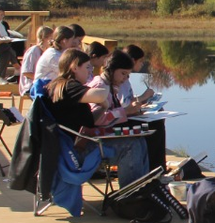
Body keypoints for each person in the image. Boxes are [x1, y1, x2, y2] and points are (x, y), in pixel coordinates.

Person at [42, 48, 149, 187]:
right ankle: (131, 196)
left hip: (76, 142)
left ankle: (143, 188)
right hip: (75, 150)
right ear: (74, 67)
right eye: (87, 67)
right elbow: (100, 95)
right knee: (131, 146)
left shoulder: (63, 85)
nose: (90, 72)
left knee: (139, 140)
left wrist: (105, 105)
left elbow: (91, 119)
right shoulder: (69, 87)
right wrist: (114, 100)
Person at [88, 49, 144, 126]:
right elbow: (97, 119)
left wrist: (132, 112)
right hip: (101, 134)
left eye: (128, 75)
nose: (125, 78)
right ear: (111, 69)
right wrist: (126, 111)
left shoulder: (110, 85)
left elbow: (113, 111)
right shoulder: (100, 87)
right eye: (123, 73)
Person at [19, 25, 53, 96]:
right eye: (51, 38)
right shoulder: (33, 51)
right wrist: (42, 80)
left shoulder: (48, 52)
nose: (53, 41)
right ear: (44, 38)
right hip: (30, 85)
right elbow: (26, 72)